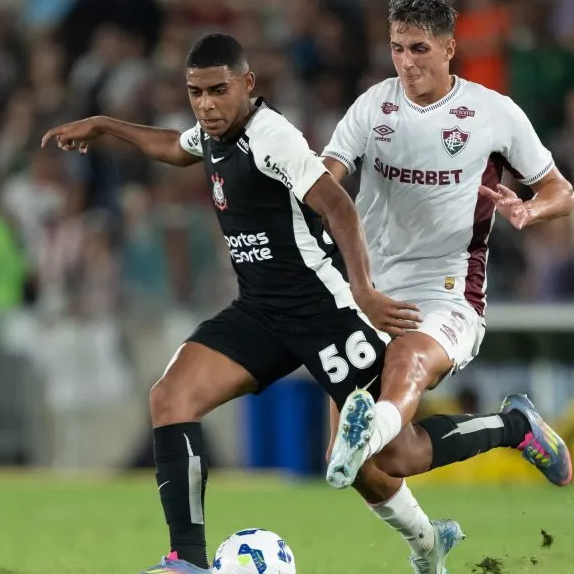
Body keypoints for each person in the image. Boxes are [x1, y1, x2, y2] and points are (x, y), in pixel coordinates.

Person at [44, 33, 419, 574]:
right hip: (263, 312)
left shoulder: (273, 138)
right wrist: (104, 125)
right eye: (195, 93)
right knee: (171, 397)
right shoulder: (212, 132)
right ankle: (187, 562)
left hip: (326, 312)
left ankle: (508, 432)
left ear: (247, 83)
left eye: (218, 91)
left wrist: (363, 291)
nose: (206, 105)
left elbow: (339, 208)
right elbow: (176, 148)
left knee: (386, 460)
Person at [320, 0, 574, 571]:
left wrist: (530, 213)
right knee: (383, 460)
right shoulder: (373, 106)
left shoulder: (493, 113)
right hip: (369, 290)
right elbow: (329, 176)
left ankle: (369, 424)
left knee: (407, 361)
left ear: (449, 48)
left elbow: (562, 192)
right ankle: (438, 528)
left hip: (448, 294)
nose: (406, 62)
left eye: (419, 49)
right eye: (396, 48)